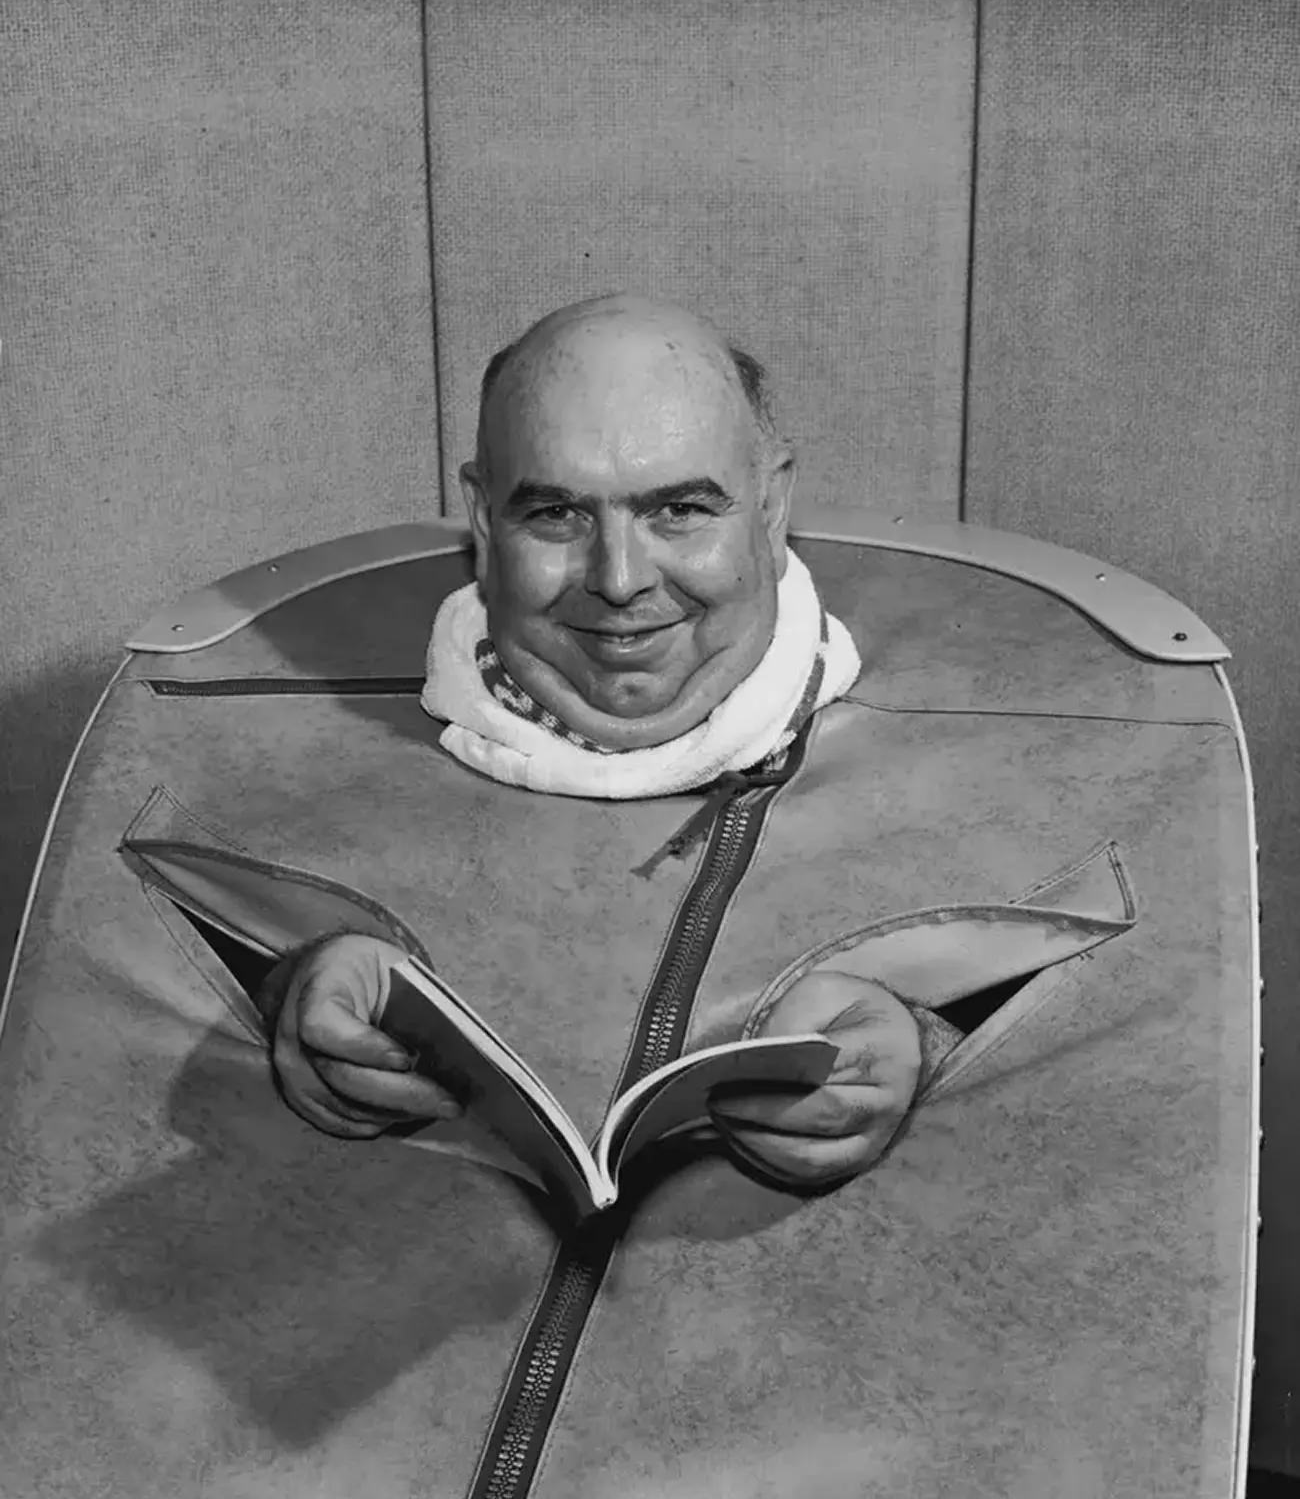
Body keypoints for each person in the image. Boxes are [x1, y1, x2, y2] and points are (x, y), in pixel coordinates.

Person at [255, 295, 959, 1185]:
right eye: (556, 515)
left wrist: (931, 1048)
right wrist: (285, 989)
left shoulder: (961, 772)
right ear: (480, 519)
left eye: (680, 512)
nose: (620, 579)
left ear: (773, 508)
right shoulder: (296, 764)